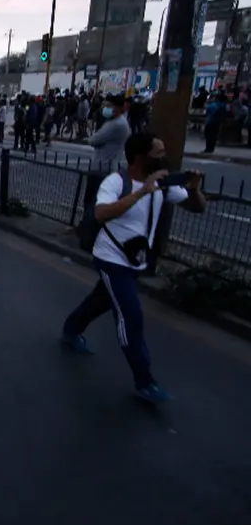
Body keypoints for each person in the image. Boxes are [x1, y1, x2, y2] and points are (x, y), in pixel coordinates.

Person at [61, 133, 207, 404]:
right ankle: (145, 381)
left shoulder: (163, 183)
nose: (164, 157)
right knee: (130, 315)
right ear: (140, 157)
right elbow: (101, 213)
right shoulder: (117, 182)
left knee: (102, 299)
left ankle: (71, 328)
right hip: (111, 257)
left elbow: (197, 208)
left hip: (135, 259)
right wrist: (142, 191)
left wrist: (195, 189)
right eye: (159, 153)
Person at [89, 94, 130, 170]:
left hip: (104, 166)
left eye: (109, 106)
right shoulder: (113, 121)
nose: (105, 108)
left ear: (118, 108)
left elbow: (93, 140)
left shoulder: (117, 124)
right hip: (104, 164)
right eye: (105, 106)